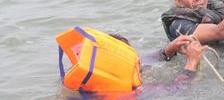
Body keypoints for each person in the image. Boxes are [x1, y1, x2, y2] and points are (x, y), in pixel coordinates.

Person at [56, 27, 207, 99]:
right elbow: (176, 88)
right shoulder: (128, 93)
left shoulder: (84, 84)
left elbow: (145, 59)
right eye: (134, 61)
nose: (139, 64)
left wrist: (168, 50)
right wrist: (191, 63)